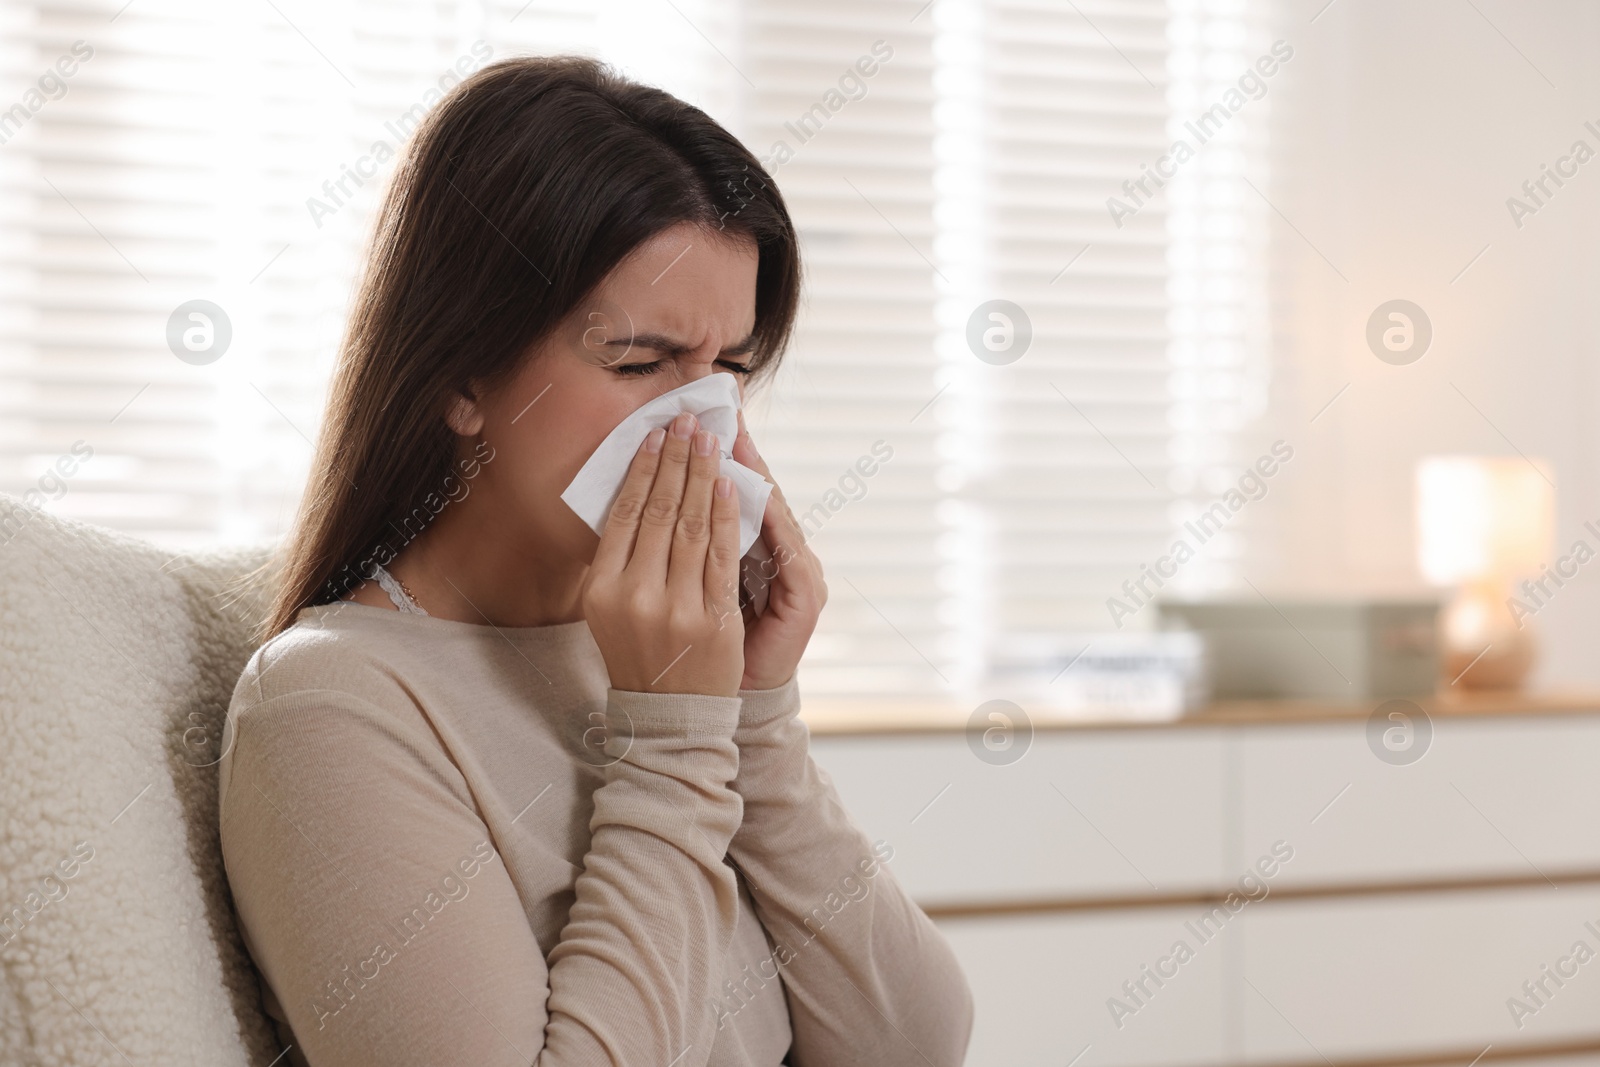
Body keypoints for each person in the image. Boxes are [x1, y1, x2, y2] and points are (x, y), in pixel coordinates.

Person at [217, 54, 974, 1067]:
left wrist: (756, 716)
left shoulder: (646, 655)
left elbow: (912, 1045)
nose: (699, 422)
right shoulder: (334, 707)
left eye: (729, 370)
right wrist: (670, 742)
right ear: (461, 376)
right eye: (637, 362)